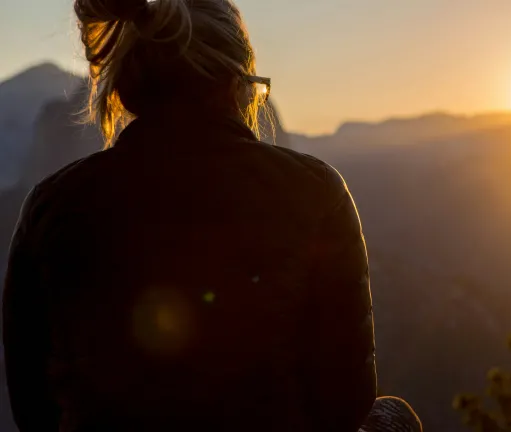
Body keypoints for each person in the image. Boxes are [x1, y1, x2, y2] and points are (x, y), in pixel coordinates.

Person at [2, 0, 422, 431]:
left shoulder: (51, 208)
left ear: (126, 89)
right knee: (394, 419)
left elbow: (33, 409)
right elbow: (346, 401)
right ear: (235, 84)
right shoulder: (317, 193)